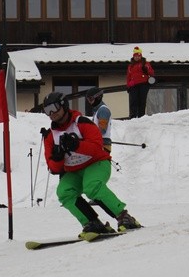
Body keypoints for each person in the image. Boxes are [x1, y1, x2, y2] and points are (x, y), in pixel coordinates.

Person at [42, 92, 141, 233]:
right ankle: (92, 222)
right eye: (46, 110)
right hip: (74, 171)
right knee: (64, 192)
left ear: (64, 105)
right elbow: (52, 168)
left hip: (96, 163)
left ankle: (124, 216)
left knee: (92, 186)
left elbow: (96, 147)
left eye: (54, 107)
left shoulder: (81, 123)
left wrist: (76, 145)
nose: (51, 113)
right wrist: (57, 158)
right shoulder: (50, 136)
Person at [126, 46, 155, 118]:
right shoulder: (130, 66)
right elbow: (128, 76)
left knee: (142, 101)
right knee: (133, 101)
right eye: (135, 56)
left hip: (144, 84)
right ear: (133, 56)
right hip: (133, 85)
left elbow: (151, 73)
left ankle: (141, 116)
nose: (137, 57)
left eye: (138, 56)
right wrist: (128, 85)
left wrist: (147, 69)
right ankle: (132, 116)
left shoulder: (145, 63)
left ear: (141, 56)